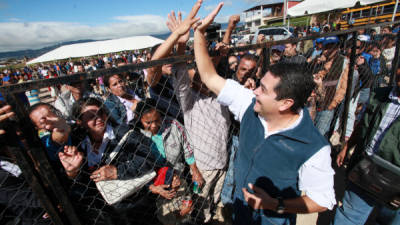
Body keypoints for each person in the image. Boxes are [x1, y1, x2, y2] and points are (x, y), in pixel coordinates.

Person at [191, 2, 335, 224]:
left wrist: (274, 204)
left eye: (263, 89)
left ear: (285, 103)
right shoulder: (249, 105)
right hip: (242, 212)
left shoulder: (314, 148)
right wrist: (199, 33)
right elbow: (209, 77)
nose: (254, 89)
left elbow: (322, 200)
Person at [148, 4, 230, 223]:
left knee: (211, 202)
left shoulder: (216, 93)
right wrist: (180, 40)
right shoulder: (164, 89)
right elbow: (173, 73)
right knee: (197, 207)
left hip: (212, 156)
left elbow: (202, 71)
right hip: (187, 154)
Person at [60, 97, 158, 225]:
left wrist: (117, 171)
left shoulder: (125, 133)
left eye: (100, 113)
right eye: (90, 116)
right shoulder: (78, 144)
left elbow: (149, 159)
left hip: (133, 204)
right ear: (80, 122)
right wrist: (73, 172)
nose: (98, 118)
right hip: (102, 213)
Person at [333, 69, 400, 225]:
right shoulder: (379, 95)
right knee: (349, 217)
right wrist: (347, 146)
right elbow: (363, 123)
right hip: (367, 169)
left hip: (396, 181)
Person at [135, 98, 203, 185]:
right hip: (153, 181)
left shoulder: (173, 125)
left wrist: (195, 171)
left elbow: (188, 149)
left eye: (157, 120)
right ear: (140, 119)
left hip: (178, 175)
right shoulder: (137, 135)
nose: (154, 126)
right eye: (148, 123)